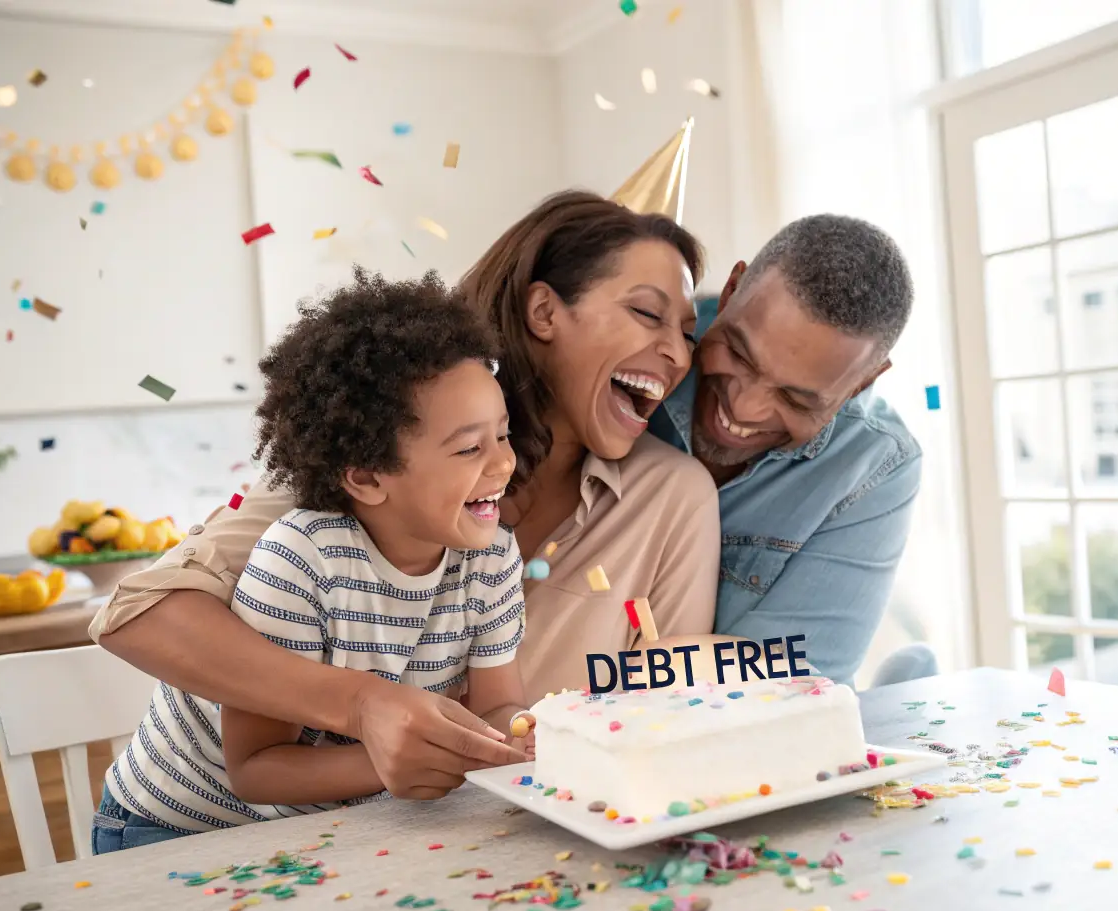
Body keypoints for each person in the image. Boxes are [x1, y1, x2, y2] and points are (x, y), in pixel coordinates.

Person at [90, 191, 720, 801]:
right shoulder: (373, 433)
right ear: (544, 312)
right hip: (200, 821)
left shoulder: (665, 501)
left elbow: (663, 701)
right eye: (647, 313)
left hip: (411, 828)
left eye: (689, 333)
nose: (676, 353)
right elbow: (138, 614)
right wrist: (364, 705)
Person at [94, 273, 534, 851]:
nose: (503, 464)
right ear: (367, 477)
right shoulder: (301, 559)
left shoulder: (491, 557)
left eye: (503, 435)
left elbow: (499, 704)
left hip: (328, 833)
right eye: (470, 447)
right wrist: (391, 761)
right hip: (177, 829)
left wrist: (516, 737)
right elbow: (257, 770)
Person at [649, 213, 931, 687]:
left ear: (863, 382)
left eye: (796, 399)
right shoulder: (638, 351)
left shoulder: (874, 465)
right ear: (732, 289)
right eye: (739, 354)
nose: (744, 406)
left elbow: (789, 680)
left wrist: (616, 674)